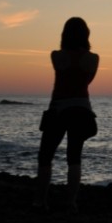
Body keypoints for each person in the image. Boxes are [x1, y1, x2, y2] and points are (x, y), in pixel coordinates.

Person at [34, 17, 100, 212]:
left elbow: (63, 72)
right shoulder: (93, 58)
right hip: (82, 109)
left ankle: (39, 201)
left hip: (58, 109)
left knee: (45, 156)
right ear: (86, 35)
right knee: (74, 156)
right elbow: (87, 81)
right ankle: (70, 202)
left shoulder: (56, 56)